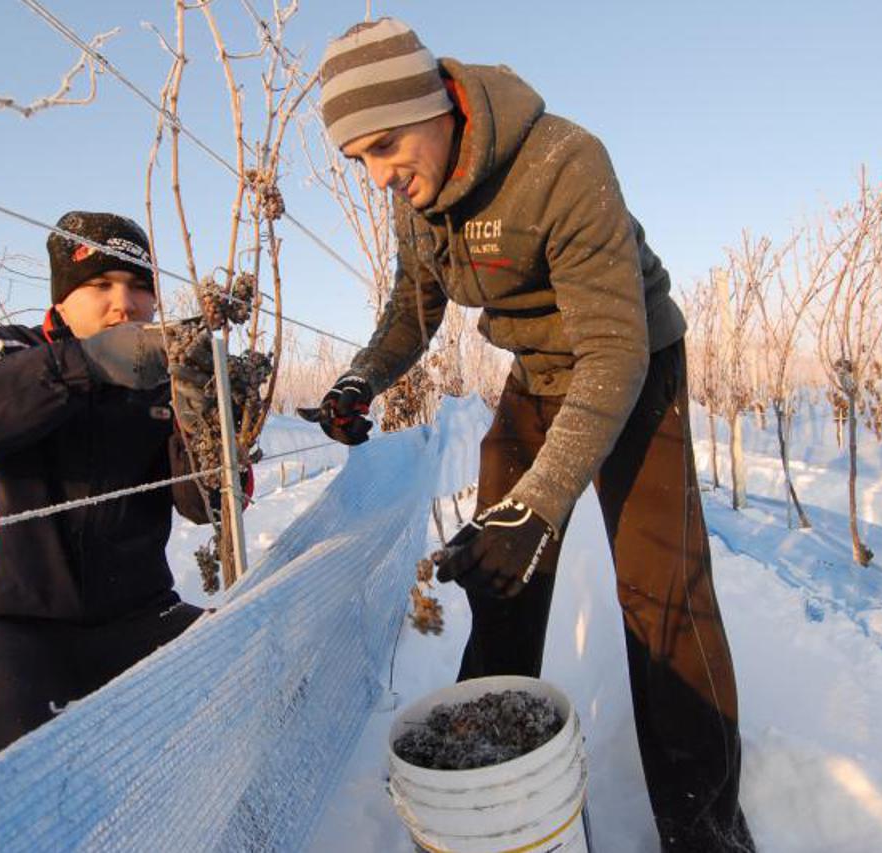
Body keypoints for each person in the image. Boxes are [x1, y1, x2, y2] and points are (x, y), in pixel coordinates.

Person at [307, 19, 753, 851]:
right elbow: (414, 307)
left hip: (633, 366)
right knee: (498, 568)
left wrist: (541, 505)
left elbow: (614, 352)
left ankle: (706, 828)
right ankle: (489, 788)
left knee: (663, 597)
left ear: (434, 102)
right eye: (358, 159)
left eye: (384, 145)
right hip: (537, 374)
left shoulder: (562, 161)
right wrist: (360, 377)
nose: (377, 175)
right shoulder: (420, 200)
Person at [0, 211, 227, 797]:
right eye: (100, 286)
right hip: (6, 623)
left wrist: (209, 421)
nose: (124, 303)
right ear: (63, 299)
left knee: (254, 667)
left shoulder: (164, 380)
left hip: (140, 613)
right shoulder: (4, 351)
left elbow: (207, 506)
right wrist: (86, 366)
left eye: (139, 286)